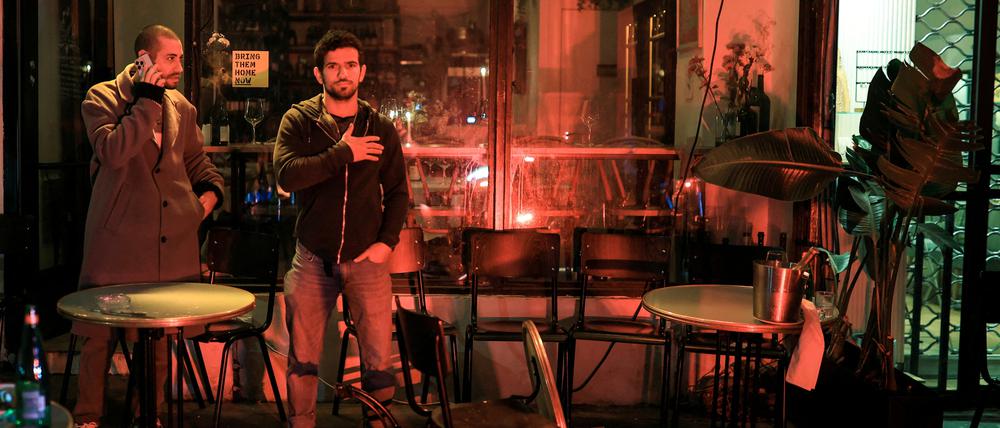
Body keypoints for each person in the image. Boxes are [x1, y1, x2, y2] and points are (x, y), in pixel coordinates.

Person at [74, 24, 224, 427]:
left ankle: (149, 416)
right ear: (143, 59)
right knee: (98, 336)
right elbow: (113, 152)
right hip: (116, 240)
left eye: (181, 58)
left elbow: (197, 163)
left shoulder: (183, 107)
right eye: (170, 58)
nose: (180, 66)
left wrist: (206, 200)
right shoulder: (102, 97)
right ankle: (88, 415)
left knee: (158, 339)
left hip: (168, 239)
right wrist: (146, 100)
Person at [274, 29, 407, 428]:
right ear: (319, 75)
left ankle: (377, 423)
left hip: (366, 259)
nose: (342, 73)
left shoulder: (380, 126)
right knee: (302, 359)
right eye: (333, 66)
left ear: (362, 71)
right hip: (313, 258)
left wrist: (386, 243)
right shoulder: (299, 120)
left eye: (350, 65)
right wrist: (342, 153)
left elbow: (398, 192)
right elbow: (286, 174)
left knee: (379, 362)